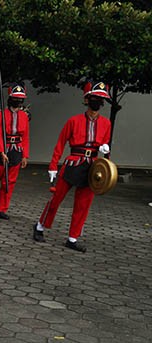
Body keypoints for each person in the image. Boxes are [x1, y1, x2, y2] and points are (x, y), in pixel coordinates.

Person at [33, 81, 112, 252]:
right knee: (56, 199)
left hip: (92, 167)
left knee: (83, 205)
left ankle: (72, 238)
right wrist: (53, 166)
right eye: (94, 98)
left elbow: (105, 149)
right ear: (87, 99)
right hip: (72, 163)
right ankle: (40, 226)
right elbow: (60, 144)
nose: (97, 102)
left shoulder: (106, 124)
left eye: (100, 99)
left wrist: (105, 149)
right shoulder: (73, 121)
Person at [0, 84, 31, 219]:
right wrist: (1, 152)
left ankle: (1, 209)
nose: (18, 102)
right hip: (3, 148)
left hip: (17, 150)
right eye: (16, 99)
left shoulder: (24, 116)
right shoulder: (0, 115)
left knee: (10, 182)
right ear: (10, 98)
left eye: (20, 99)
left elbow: (25, 136)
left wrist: (25, 155)